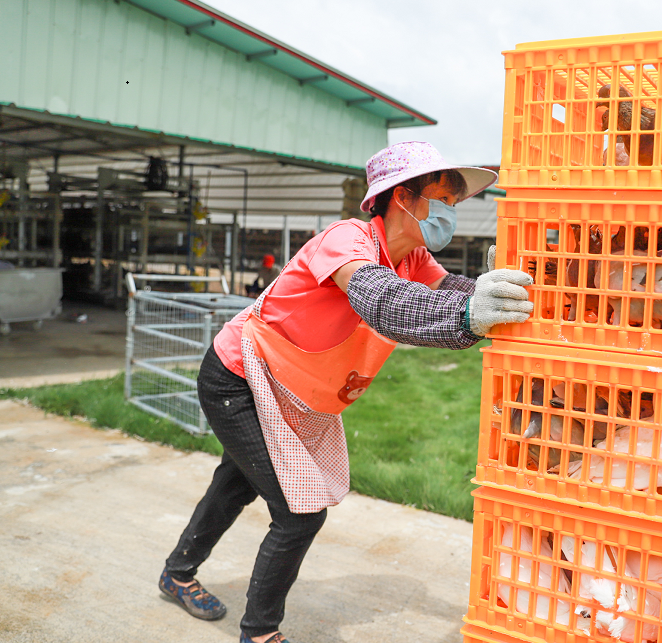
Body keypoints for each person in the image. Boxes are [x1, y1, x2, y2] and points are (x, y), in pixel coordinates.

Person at [157, 141, 533, 643]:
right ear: (403, 196)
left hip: (287, 385)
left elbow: (451, 291)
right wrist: (468, 316)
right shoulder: (346, 240)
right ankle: (260, 633)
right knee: (298, 514)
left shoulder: (414, 257)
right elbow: (382, 301)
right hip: (239, 378)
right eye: (444, 198)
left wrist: (493, 290)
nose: (452, 212)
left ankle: (176, 574)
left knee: (237, 481)